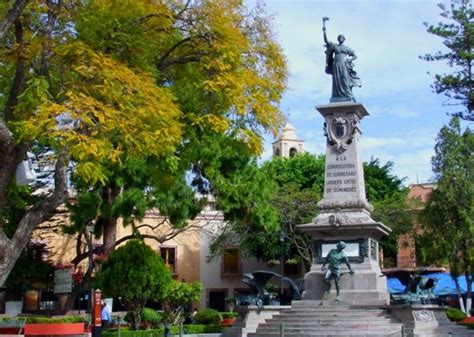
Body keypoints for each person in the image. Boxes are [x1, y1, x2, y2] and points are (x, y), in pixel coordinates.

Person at [323, 26, 361, 102]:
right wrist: (324, 31)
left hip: (344, 65)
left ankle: (348, 94)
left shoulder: (346, 48)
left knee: (344, 78)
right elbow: (326, 41)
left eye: (342, 37)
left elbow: (355, 56)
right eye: (339, 37)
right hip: (336, 65)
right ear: (338, 39)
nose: (340, 39)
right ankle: (336, 95)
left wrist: (350, 60)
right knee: (336, 80)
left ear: (344, 39)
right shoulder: (334, 46)